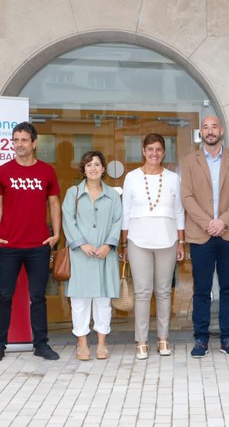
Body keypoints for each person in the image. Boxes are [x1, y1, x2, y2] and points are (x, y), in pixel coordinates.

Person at [182, 115, 229, 358]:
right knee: (202, 289)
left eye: (214, 127)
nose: (210, 131)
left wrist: (223, 221)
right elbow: (187, 197)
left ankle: (228, 338)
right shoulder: (190, 161)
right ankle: (201, 339)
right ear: (201, 132)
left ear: (221, 130)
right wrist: (208, 223)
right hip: (201, 234)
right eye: (206, 128)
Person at [0, 121, 61, 361]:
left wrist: (56, 234)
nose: (19, 144)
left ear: (34, 143)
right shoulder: (4, 171)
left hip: (38, 245)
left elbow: (54, 203)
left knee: (38, 297)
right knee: (4, 296)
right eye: (15, 140)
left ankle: (41, 344)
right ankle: (0, 344)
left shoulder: (46, 171)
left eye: (24, 140)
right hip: (8, 246)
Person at [122, 133, 185, 360]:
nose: (154, 153)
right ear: (143, 150)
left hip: (168, 239)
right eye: (150, 149)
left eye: (158, 149)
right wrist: (124, 244)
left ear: (164, 152)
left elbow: (178, 210)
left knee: (164, 291)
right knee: (142, 292)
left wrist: (181, 240)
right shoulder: (131, 177)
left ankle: (163, 338)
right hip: (138, 240)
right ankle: (141, 341)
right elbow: (125, 212)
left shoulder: (172, 178)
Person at [62, 151, 122, 361]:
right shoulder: (73, 194)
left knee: (103, 302)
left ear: (103, 169)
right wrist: (81, 243)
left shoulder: (113, 195)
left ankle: (102, 344)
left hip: (105, 255)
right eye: (89, 165)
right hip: (81, 255)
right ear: (83, 169)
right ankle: (82, 344)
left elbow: (118, 221)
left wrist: (108, 244)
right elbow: (68, 220)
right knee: (80, 302)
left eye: (97, 164)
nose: (93, 168)